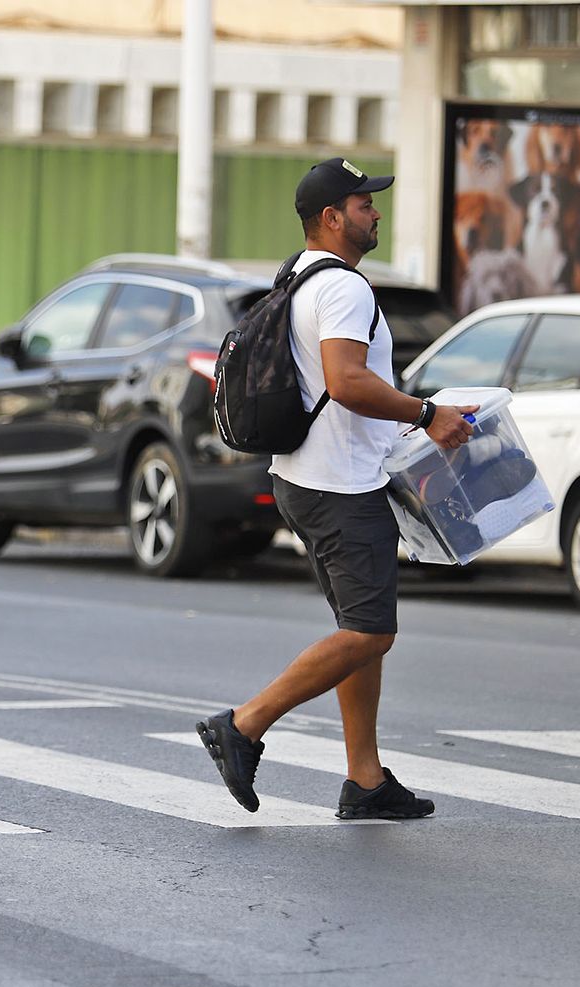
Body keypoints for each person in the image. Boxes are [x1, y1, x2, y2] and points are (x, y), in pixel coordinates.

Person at [195, 158, 476, 820]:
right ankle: (243, 724)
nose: (375, 212)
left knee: (357, 625)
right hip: (340, 486)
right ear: (331, 218)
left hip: (302, 474)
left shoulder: (300, 274)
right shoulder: (344, 289)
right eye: (363, 203)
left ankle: (365, 778)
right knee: (371, 631)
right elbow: (346, 381)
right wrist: (427, 413)